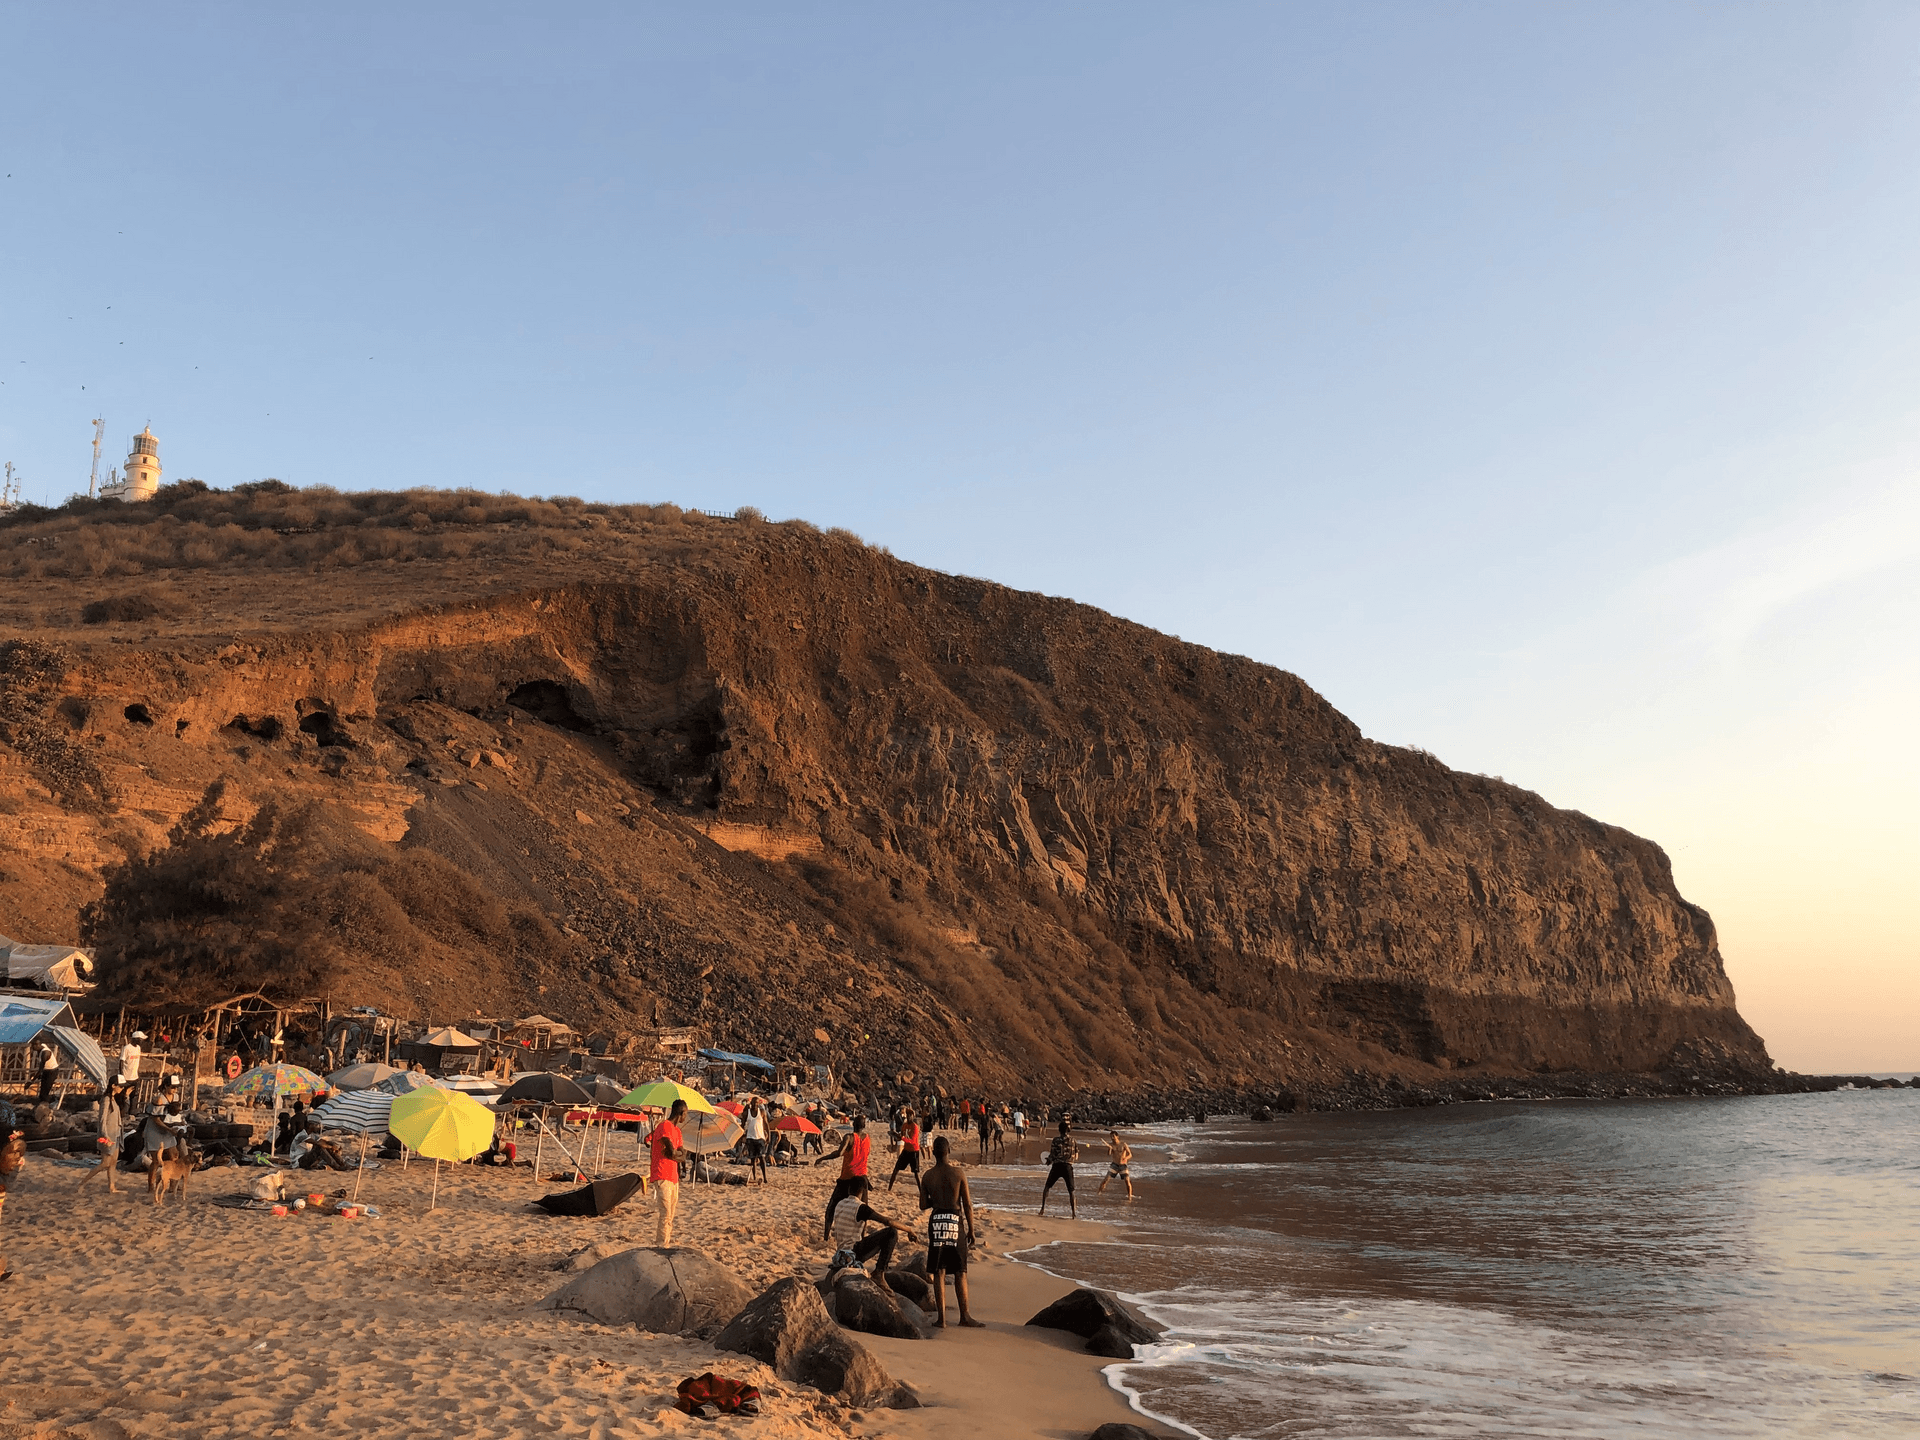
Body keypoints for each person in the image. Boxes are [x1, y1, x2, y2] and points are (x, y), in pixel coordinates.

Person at [916, 1135, 984, 1326]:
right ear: (949, 1151)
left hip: (937, 1220)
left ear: (934, 1154)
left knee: (939, 1271)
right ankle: (965, 1316)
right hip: (955, 1220)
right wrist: (971, 1229)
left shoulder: (928, 1176)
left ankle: (942, 1318)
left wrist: (936, 1200)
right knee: (960, 1270)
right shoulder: (959, 1173)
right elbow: (968, 1204)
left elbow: (922, 1204)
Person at [825, 1176, 917, 1290]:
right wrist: (909, 1230)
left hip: (840, 1253)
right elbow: (888, 1221)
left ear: (849, 1190)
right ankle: (879, 1273)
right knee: (891, 1232)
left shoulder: (840, 1204)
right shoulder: (860, 1207)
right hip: (854, 1252)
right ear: (863, 1191)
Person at [821, 1114, 872, 1238]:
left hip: (847, 1178)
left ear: (853, 1124)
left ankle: (826, 1237)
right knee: (863, 1211)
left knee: (831, 1209)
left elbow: (839, 1153)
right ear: (864, 1126)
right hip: (862, 1178)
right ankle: (862, 1237)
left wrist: (823, 1158)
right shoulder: (868, 1139)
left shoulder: (849, 1137)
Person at [76, 1083, 129, 1195]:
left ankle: (112, 1187)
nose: (122, 1088)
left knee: (113, 1162)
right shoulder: (106, 1099)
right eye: (121, 1086)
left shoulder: (115, 1099)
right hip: (107, 1135)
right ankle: (82, 1183)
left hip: (116, 1134)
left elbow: (123, 1112)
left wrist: (127, 1096)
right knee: (105, 1163)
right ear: (114, 1085)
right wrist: (105, 1136)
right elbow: (102, 1120)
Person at [649, 1099, 687, 1246]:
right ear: (681, 1113)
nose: (686, 1117)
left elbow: (682, 1155)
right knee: (665, 1214)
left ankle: (666, 1242)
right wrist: (676, 1154)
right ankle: (661, 1245)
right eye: (686, 1114)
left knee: (670, 1215)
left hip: (673, 1176)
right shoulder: (664, 1126)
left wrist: (677, 1154)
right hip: (662, 1174)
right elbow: (672, 1153)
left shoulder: (677, 1131)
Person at [1040, 1118, 1077, 1218]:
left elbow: (1052, 1154)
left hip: (1057, 1166)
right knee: (1071, 1191)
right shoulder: (1073, 1140)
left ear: (1059, 1130)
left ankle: (1042, 1209)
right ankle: (1074, 1213)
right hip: (1068, 1166)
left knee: (1047, 1187)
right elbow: (1076, 1156)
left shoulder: (1055, 1140)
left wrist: (1048, 1161)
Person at [889, 1107, 922, 1191]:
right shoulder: (905, 1125)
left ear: (913, 1116)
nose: (909, 1117)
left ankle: (921, 1190)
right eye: (908, 1115)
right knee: (896, 1169)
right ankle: (889, 1188)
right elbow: (902, 1136)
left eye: (910, 1115)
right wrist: (896, 1136)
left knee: (916, 1174)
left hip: (914, 1151)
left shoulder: (915, 1127)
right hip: (906, 1150)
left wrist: (902, 1138)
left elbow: (913, 1141)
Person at [1097, 1130, 1134, 1198]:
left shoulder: (1123, 1144)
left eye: (1113, 1136)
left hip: (1123, 1165)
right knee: (1106, 1179)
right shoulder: (1111, 1145)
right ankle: (1099, 1193)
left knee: (1127, 1181)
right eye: (1111, 1136)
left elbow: (1130, 1154)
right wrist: (1110, 1149)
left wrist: (1126, 1158)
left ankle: (1129, 1196)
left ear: (1117, 1136)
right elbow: (1109, 1154)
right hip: (1114, 1165)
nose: (1112, 1138)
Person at [742, 1097, 769, 1184]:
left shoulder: (762, 1112)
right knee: (753, 1160)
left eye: (756, 1103)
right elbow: (742, 1125)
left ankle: (765, 1177)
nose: (755, 1105)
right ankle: (754, 1176)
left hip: (760, 1137)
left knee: (762, 1158)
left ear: (759, 1104)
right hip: (750, 1138)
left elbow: (766, 1124)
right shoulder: (747, 1113)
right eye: (753, 1103)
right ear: (751, 1103)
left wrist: (768, 1137)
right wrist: (742, 1136)